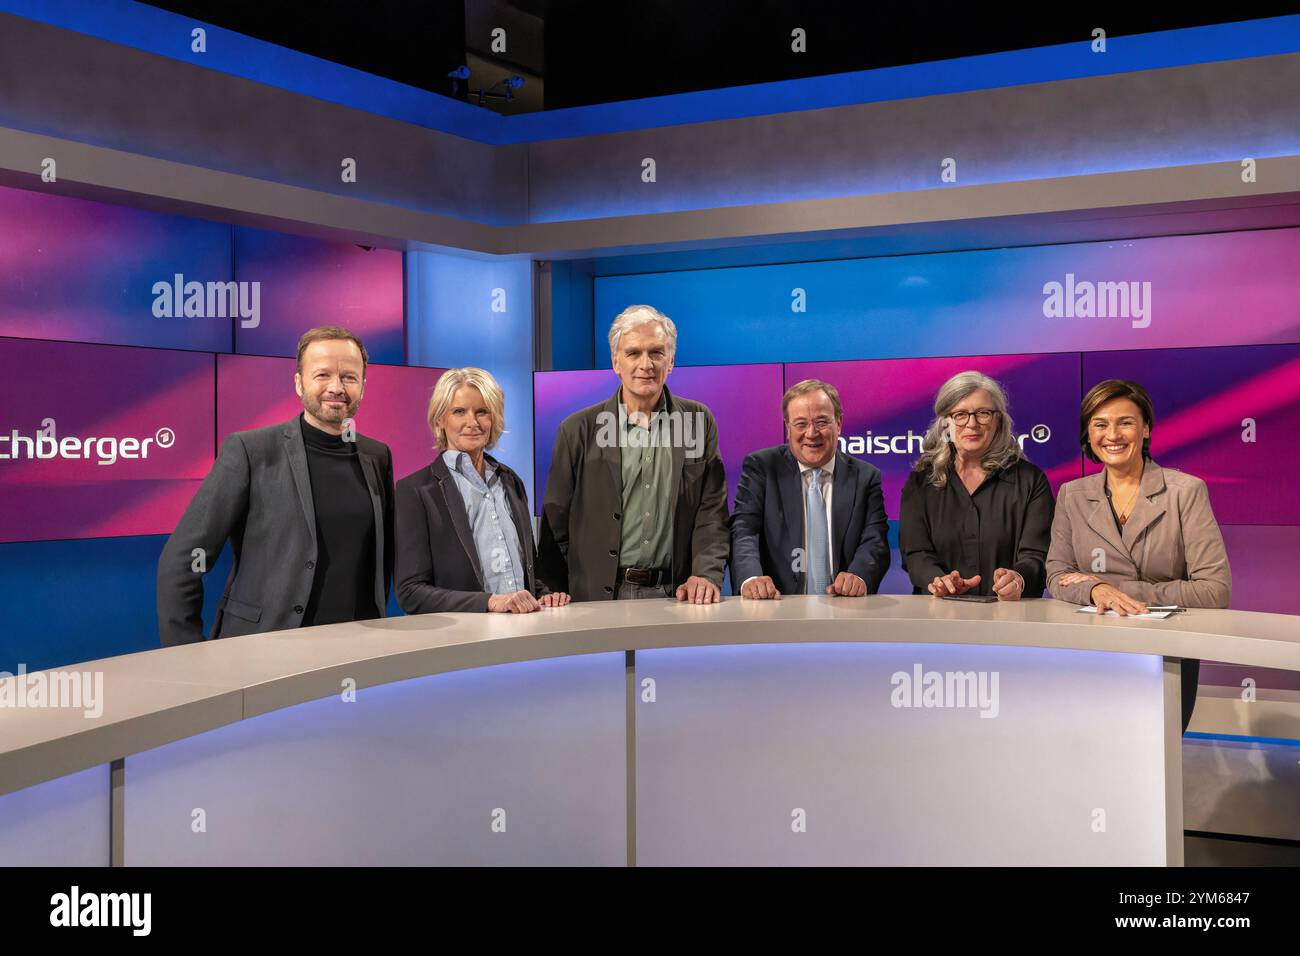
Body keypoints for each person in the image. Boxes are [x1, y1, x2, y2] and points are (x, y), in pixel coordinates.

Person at [158, 326, 393, 645]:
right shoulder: (250, 450)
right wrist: (184, 654)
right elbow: (183, 558)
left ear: (363, 386)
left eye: (349, 377)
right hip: (262, 651)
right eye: (322, 375)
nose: (336, 387)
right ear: (299, 383)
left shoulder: (377, 456)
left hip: (356, 649)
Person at [1047, 379, 1230, 730]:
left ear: (1145, 429)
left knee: (1157, 765)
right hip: (1095, 652)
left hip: (1165, 654)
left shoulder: (1185, 492)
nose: (1112, 434)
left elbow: (1214, 589)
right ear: (1089, 433)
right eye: (1100, 424)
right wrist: (1094, 591)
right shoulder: (1071, 495)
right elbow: (1057, 574)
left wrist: (1117, 590)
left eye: (1125, 422)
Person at [537, 305, 728, 603]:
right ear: (616, 362)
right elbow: (555, 520)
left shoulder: (697, 422)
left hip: (678, 594)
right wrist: (553, 589)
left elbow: (711, 511)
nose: (646, 364)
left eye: (656, 352)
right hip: (597, 597)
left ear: (671, 361)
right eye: (633, 353)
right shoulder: (577, 429)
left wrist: (705, 573)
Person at [395, 368, 568, 613]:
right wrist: (489, 602)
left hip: (525, 632)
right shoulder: (416, 491)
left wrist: (546, 595)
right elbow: (411, 593)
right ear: (440, 419)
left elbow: (529, 573)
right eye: (459, 412)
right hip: (464, 640)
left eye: (482, 412)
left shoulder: (510, 481)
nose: (472, 423)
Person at [899, 371, 1054, 600]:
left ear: (998, 420)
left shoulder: (1031, 481)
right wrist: (938, 580)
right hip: (938, 616)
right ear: (946, 423)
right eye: (961, 414)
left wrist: (1018, 578)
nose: (972, 424)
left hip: (1011, 618)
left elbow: (1036, 555)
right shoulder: (921, 482)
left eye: (983, 413)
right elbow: (915, 553)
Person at [730, 379, 889, 599]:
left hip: (846, 608)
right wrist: (751, 578)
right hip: (776, 606)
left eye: (822, 422)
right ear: (788, 428)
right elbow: (744, 531)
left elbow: (875, 541)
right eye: (801, 424)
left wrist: (858, 576)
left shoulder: (865, 477)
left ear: (839, 424)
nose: (812, 433)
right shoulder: (762, 468)